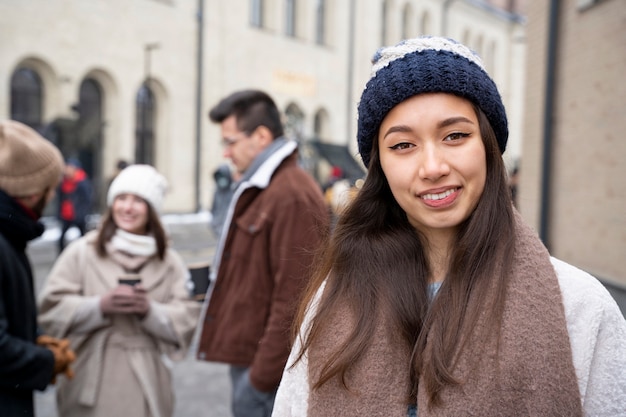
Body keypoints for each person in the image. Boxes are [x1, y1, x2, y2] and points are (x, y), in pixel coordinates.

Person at [272, 36, 626, 416]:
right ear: (381, 168)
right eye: (403, 145)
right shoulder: (337, 298)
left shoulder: (579, 307)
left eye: (455, 136)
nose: (433, 167)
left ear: (489, 146)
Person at [196, 89, 330, 417]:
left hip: (267, 374)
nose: (226, 153)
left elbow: (295, 301)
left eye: (230, 142)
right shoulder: (269, 187)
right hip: (256, 364)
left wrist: (259, 380)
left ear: (260, 136)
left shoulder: (291, 194)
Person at [38, 164, 201, 417]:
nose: (127, 207)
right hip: (91, 375)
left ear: (152, 209)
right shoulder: (82, 251)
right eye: (121, 198)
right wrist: (99, 306)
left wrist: (149, 312)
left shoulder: (169, 262)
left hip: (148, 380)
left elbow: (187, 318)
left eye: (138, 200)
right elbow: (50, 309)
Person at [0, 120, 76, 417]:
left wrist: (32, 337)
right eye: (51, 187)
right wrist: (45, 359)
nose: (54, 194)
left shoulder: (10, 235)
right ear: (32, 192)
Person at [57, 157, 93, 253]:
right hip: (67, 214)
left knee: (83, 237)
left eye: (69, 168)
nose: (67, 170)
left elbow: (87, 199)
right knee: (61, 238)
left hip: (78, 214)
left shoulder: (82, 182)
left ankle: (85, 253)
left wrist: (82, 213)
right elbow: (61, 198)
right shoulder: (65, 181)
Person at [209, 162, 238, 239]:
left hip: (231, 229)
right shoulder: (218, 191)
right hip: (218, 228)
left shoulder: (234, 189)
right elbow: (214, 208)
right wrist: (214, 223)